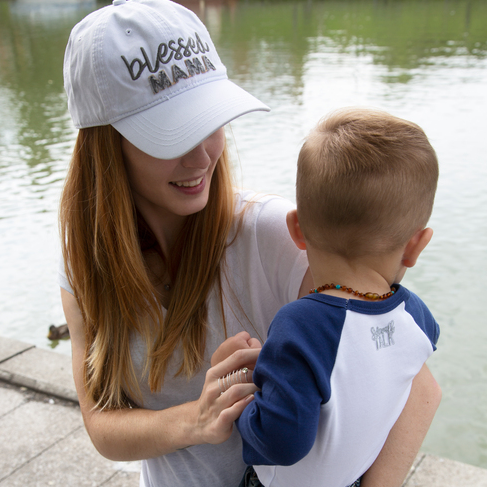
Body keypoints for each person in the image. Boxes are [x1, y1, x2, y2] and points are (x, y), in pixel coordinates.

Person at [58, 0, 441, 485]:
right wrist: (196, 420)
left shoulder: (276, 235)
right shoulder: (82, 262)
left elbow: (417, 387)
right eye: (172, 134)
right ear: (106, 146)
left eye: (210, 121)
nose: (202, 156)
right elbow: (102, 426)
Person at [228, 108, 441, 487]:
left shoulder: (301, 325)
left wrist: (241, 398)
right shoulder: (418, 319)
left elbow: (282, 442)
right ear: (417, 246)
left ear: (296, 229)